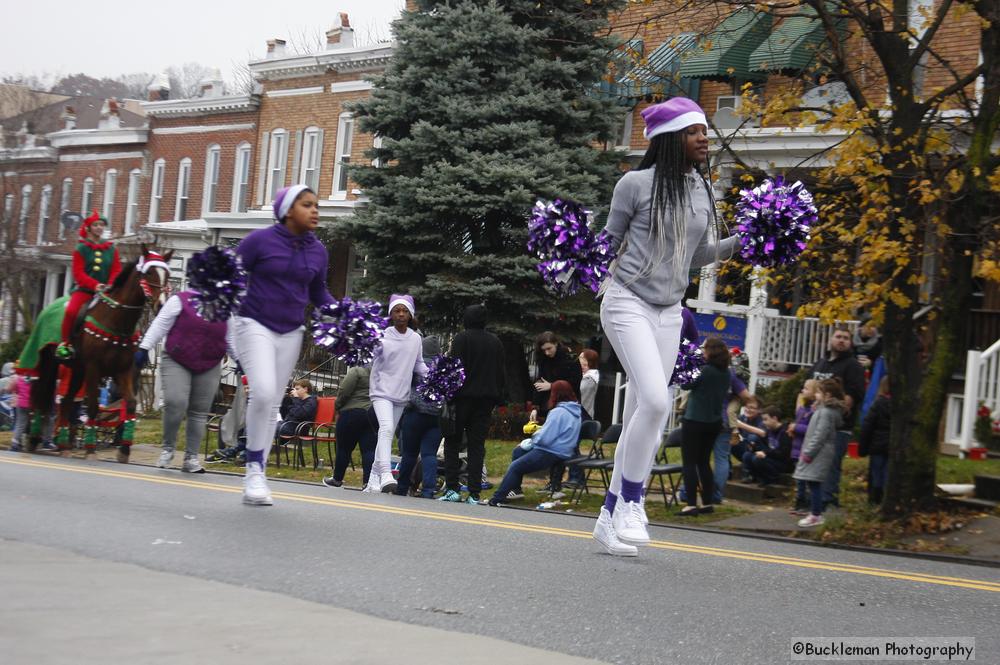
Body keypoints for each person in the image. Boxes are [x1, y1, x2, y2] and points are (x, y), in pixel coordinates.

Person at [593, 97, 738, 555]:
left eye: (704, 132)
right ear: (670, 139)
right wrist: (575, 259)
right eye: (694, 131)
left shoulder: (700, 189)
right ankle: (634, 502)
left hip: (671, 312)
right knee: (656, 401)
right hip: (627, 302)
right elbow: (606, 244)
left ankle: (608, 515)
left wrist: (739, 244)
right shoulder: (633, 184)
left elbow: (695, 256)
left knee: (647, 417)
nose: (704, 139)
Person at [231, 184, 336, 506]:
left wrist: (345, 314)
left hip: (291, 331)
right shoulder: (258, 241)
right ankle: (251, 469)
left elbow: (319, 294)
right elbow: (231, 274)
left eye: (316, 205)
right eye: (307, 205)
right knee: (261, 391)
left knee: (272, 403)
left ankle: (257, 474)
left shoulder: (318, 251)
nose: (315, 211)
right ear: (288, 210)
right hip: (254, 322)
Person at [136, 287, 229, 473]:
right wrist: (144, 347)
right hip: (177, 358)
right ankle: (168, 449)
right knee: (175, 402)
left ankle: (191, 458)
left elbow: (232, 337)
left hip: (209, 363)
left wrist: (242, 361)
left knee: (199, 411)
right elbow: (160, 324)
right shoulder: (181, 300)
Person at [441, 303, 507, 504]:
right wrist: (498, 398)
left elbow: (454, 369)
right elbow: (500, 373)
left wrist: (448, 395)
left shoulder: (462, 339)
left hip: (461, 399)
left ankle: (452, 488)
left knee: (452, 442)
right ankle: (474, 492)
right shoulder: (495, 342)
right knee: (477, 446)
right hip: (485, 401)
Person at [367, 294, 428, 494]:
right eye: (397, 311)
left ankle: (372, 480)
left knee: (388, 433)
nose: (401, 314)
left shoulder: (416, 338)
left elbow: (419, 364)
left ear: (410, 315)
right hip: (381, 390)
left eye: (404, 311)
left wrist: (434, 377)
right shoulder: (381, 335)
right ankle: (385, 474)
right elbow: (368, 357)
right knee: (386, 428)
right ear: (391, 314)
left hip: (401, 394)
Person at [486, 380, 582, 507]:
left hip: (550, 451)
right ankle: (515, 490)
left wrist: (530, 441)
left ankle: (498, 498)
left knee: (515, 467)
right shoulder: (576, 412)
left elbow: (545, 439)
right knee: (518, 452)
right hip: (564, 451)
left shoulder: (558, 412)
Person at [809, 325, 865, 509]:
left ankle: (829, 500)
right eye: (838, 336)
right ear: (830, 339)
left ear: (850, 343)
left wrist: (831, 416)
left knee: (832, 464)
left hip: (839, 427)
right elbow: (808, 390)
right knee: (815, 462)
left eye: (846, 338)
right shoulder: (820, 363)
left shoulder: (853, 366)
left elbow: (850, 398)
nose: (841, 340)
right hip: (815, 423)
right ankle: (815, 500)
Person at [55, 212, 122, 360]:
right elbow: (78, 273)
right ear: (89, 228)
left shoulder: (111, 248)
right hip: (85, 291)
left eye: (101, 225)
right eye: (95, 225)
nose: (99, 228)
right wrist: (95, 285)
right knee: (72, 312)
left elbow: (116, 269)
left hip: (106, 292)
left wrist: (110, 285)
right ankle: (65, 344)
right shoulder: (81, 248)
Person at [677, 338, 732, 515]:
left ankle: (691, 504)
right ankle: (707, 502)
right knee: (704, 462)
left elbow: (685, 383)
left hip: (694, 420)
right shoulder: (726, 373)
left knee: (689, 462)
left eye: (704, 348)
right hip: (714, 422)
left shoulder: (704, 370)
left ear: (710, 351)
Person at [793, 378, 847, 527]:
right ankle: (815, 512)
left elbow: (820, 435)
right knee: (813, 482)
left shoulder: (826, 413)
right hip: (818, 452)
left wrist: (809, 452)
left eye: (818, 392)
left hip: (818, 453)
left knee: (814, 483)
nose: (816, 395)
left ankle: (816, 514)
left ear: (827, 395)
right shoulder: (823, 410)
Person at [394, 336, 444, 498]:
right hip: (435, 417)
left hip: (414, 414)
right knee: (429, 454)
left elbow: (403, 387)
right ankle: (428, 490)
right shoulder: (443, 368)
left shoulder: (414, 365)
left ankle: (402, 487)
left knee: (409, 453)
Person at [322, 365, 376, 487]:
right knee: (369, 450)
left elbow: (344, 391)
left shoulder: (356, 370)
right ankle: (368, 482)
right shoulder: (381, 373)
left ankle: (337, 479)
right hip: (372, 413)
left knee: (344, 448)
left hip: (352, 412)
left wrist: (337, 406)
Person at [529, 332, 582, 424]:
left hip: (567, 404)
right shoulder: (543, 359)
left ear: (556, 344)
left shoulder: (570, 357)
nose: (547, 353)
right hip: (547, 402)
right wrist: (535, 407)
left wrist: (552, 386)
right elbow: (540, 383)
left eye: (549, 348)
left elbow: (575, 381)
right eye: (544, 350)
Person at [858, 375, 891, 505]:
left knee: (876, 472)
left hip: (877, 445)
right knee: (886, 472)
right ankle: (884, 497)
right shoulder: (900, 407)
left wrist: (863, 447)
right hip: (891, 446)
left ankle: (874, 499)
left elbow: (867, 426)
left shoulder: (878, 404)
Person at [788, 379, 819, 515]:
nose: (803, 391)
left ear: (814, 393)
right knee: (798, 479)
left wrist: (796, 427)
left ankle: (805, 503)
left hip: (804, 449)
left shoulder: (814, 411)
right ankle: (799, 502)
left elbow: (811, 429)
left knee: (803, 480)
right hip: (797, 447)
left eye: (806, 389)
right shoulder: (802, 408)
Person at [741, 405, 792, 485]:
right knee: (747, 455)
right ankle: (756, 477)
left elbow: (783, 453)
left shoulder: (785, 432)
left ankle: (771, 478)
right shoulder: (769, 430)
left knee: (757, 459)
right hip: (771, 458)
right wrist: (754, 448)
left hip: (782, 463)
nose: (763, 423)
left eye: (765, 419)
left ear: (774, 418)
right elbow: (765, 446)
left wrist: (765, 453)